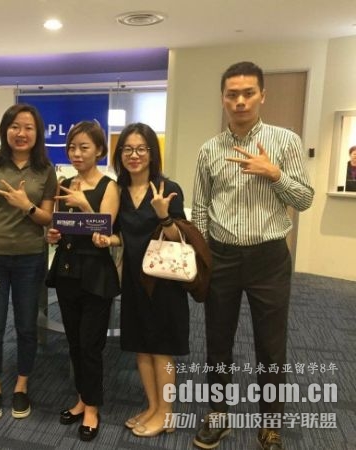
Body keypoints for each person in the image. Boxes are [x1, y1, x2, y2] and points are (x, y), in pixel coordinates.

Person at [191, 61, 314, 450]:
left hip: (269, 258)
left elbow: (305, 199)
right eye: (232, 95)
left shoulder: (286, 142)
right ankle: (218, 414)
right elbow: (200, 209)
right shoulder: (209, 150)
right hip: (222, 256)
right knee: (217, 341)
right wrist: (204, 256)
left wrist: (273, 173)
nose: (240, 101)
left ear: (263, 95)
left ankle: (271, 424)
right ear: (223, 99)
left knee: (271, 345)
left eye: (248, 93)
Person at [94, 122, 189, 438]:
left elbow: (179, 238)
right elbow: (123, 235)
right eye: (127, 149)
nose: (134, 155)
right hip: (134, 280)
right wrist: (109, 240)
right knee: (141, 347)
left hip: (163, 281)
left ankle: (167, 412)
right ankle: (153, 407)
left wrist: (164, 214)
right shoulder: (118, 191)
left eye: (141, 149)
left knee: (161, 348)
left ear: (152, 153)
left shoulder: (167, 188)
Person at [0, 103, 57, 420]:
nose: (21, 133)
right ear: (5, 130)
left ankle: (22, 384)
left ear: (38, 133)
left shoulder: (45, 170)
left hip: (30, 259)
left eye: (28, 127)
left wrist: (26, 205)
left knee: (26, 326)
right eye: (15, 126)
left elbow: (47, 218)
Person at [46, 121, 120, 442]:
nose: (76, 153)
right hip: (67, 269)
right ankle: (81, 398)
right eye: (72, 147)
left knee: (91, 344)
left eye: (84, 147)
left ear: (99, 150)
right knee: (74, 342)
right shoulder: (64, 183)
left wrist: (84, 204)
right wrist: (52, 235)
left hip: (96, 273)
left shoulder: (109, 186)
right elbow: (61, 226)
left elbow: (104, 230)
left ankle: (92, 407)